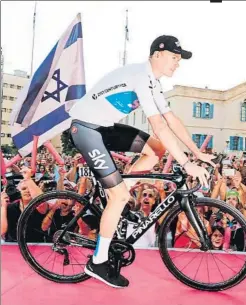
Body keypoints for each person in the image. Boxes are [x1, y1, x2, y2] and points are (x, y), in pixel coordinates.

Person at [69, 35, 215, 288]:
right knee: (119, 197)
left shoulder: (153, 82)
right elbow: (158, 124)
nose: (177, 63)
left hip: (105, 128)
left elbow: (171, 119)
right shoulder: (140, 76)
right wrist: (185, 162)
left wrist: (196, 152)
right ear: (157, 54)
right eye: (174, 57)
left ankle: (120, 194)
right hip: (85, 130)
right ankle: (98, 261)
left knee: (155, 151)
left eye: (179, 59)